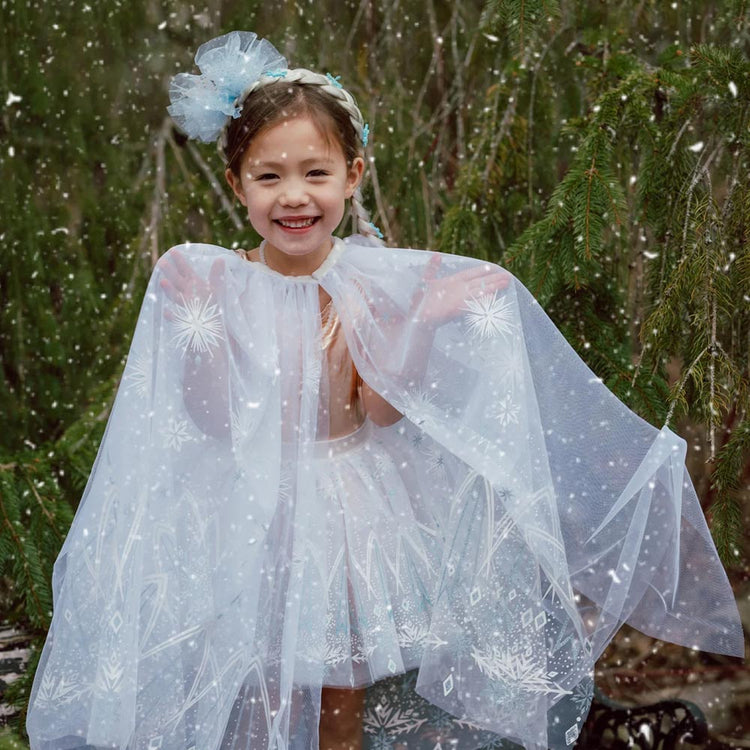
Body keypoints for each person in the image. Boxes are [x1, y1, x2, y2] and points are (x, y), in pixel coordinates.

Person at [26, 31, 743, 750]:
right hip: (250, 509)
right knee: (258, 682)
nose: (295, 196)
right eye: (268, 177)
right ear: (236, 181)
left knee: (338, 693)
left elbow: (380, 408)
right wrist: (198, 326)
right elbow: (213, 420)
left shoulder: (366, 278)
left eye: (316, 172)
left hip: (345, 511)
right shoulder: (216, 280)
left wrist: (424, 317)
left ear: (353, 173)